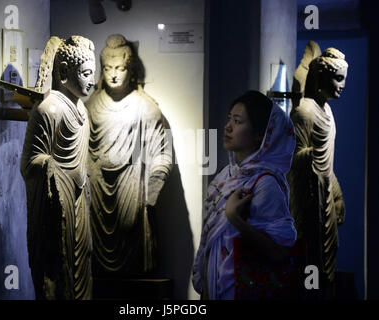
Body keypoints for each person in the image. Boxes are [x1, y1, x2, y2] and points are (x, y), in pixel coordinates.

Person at [193, 90, 297, 300]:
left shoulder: (265, 184)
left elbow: (280, 252)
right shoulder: (226, 176)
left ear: (261, 134)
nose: (228, 127)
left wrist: (234, 218)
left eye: (238, 121)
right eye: (229, 119)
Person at [85, 34, 172, 276]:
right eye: (107, 68)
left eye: (119, 68)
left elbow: (162, 153)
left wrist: (152, 190)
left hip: (132, 191)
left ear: (129, 68)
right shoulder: (91, 107)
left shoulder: (145, 107)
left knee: (132, 255)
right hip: (97, 192)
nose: (113, 74)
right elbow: (79, 151)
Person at [20, 35, 95, 299]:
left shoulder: (82, 112)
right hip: (55, 206)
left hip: (79, 202)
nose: (92, 81)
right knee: (56, 271)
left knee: (82, 265)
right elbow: (29, 164)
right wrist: (50, 168)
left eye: (92, 74)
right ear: (63, 72)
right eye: (86, 73)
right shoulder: (48, 110)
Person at [287, 48, 348, 297]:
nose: (343, 85)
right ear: (321, 76)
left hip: (325, 198)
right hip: (308, 200)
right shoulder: (304, 112)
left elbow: (327, 163)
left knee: (327, 268)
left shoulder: (328, 112)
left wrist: (335, 192)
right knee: (309, 263)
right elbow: (293, 159)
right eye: (339, 78)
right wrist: (313, 155)